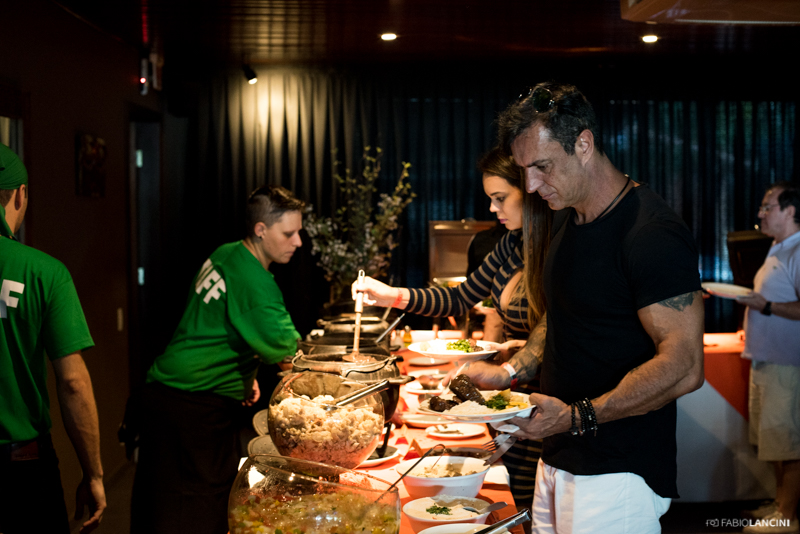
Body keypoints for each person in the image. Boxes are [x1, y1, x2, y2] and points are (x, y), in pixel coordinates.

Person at [462, 82, 705, 534]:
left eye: (542, 166)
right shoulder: (567, 217)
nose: (531, 185)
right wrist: (511, 372)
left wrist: (578, 416)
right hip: (559, 455)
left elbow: (685, 365)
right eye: (524, 171)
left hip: (617, 471)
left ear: (584, 144)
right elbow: (561, 315)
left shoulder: (651, 233)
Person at [353, 146, 553, 510]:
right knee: (513, 501)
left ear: (531, 191)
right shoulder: (512, 243)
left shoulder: (556, 247)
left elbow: (552, 326)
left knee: (527, 507)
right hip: (508, 403)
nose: (492, 208)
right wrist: (390, 295)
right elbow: (459, 297)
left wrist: (508, 369)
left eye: (500, 198)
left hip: (543, 404)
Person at [130, 185, 304, 534]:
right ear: (261, 229)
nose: (298, 241)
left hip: (162, 396)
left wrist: (243, 376)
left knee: (159, 504)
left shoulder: (227, 253)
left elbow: (215, 324)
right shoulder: (256, 282)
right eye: (289, 233)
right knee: (201, 509)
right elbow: (292, 358)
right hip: (193, 407)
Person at [0, 143, 106, 534]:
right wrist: (93, 474)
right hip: (21, 470)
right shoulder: (44, 273)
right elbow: (73, 382)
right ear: (20, 195)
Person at [736, 182, 800, 534]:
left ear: (790, 211)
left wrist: (767, 306)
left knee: (788, 443)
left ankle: (787, 517)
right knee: (774, 442)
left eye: (768, 207)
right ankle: (780, 505)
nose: (761, 213)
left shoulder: (798, 249)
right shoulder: (778, 246)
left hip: (787, 365)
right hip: (765, 361)